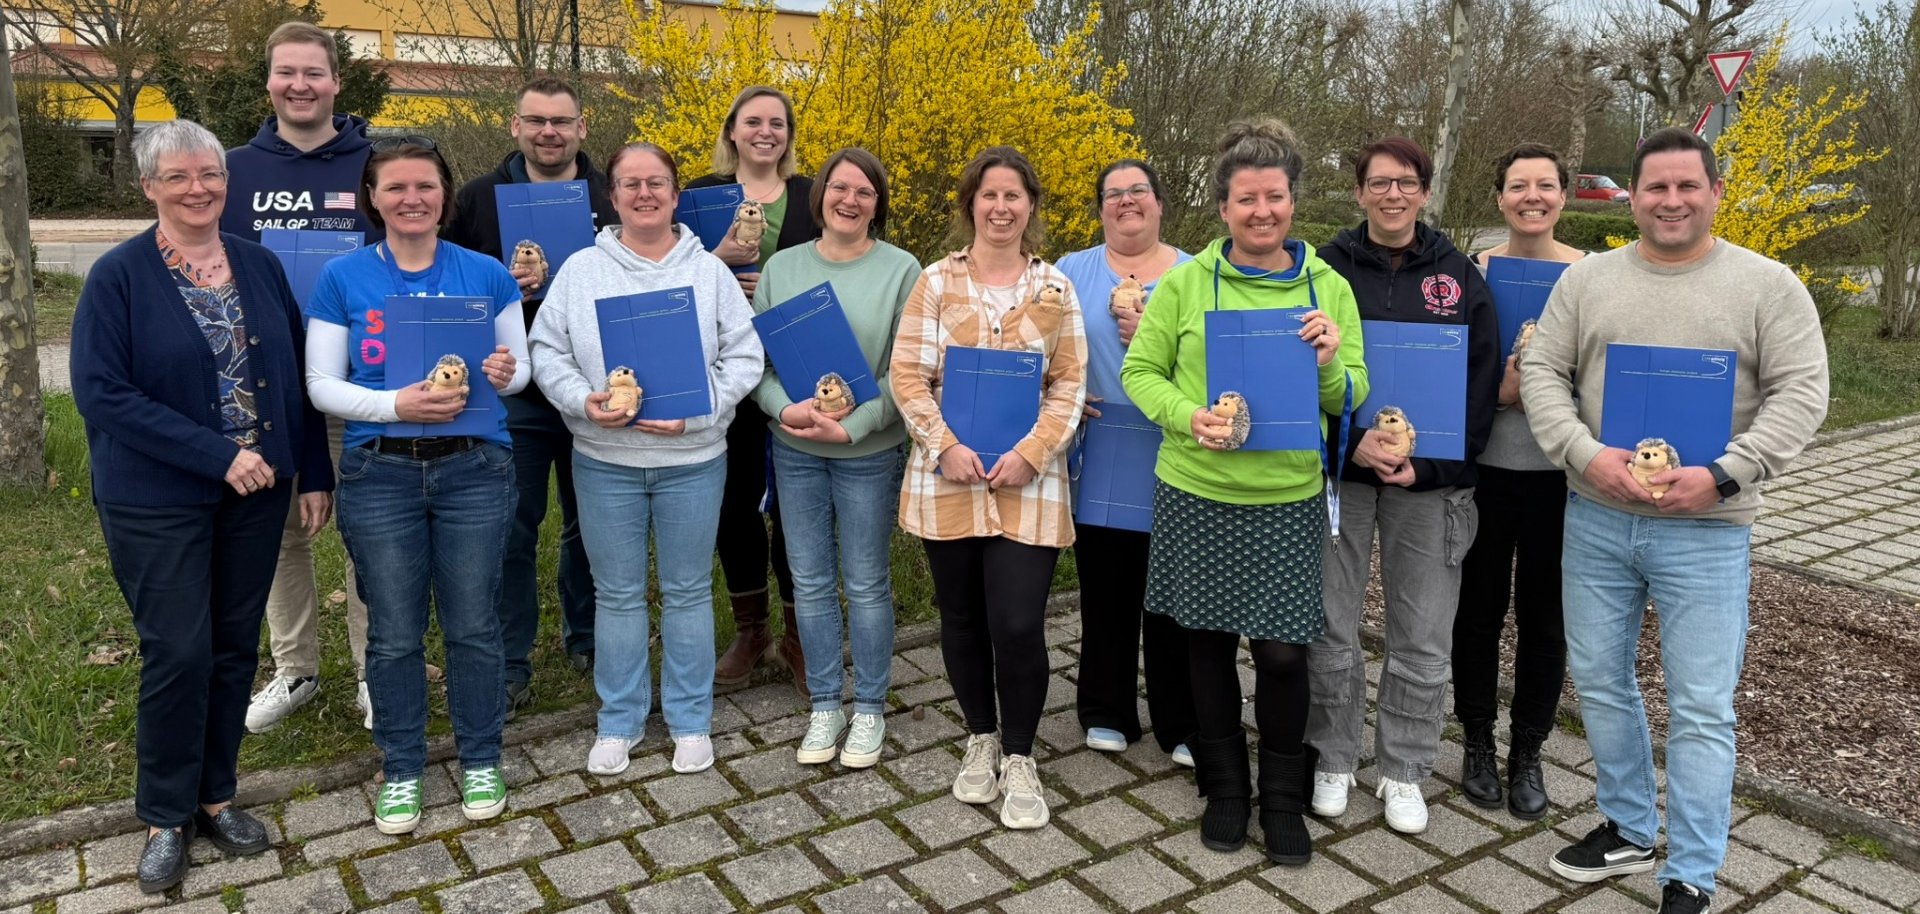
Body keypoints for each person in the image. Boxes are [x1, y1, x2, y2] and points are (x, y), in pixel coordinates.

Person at [1525, 127, 1828, 914]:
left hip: (1709, 529)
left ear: (1715, 193)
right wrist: (1583, 454)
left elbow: (1803, 394)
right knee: (1597, 680)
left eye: (1687, 186)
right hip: (1595, 518)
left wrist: (1727, 476)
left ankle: (1690, 872)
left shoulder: (1767, 286)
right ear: (1632, 194)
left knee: (1699, 705)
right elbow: (1543, 372)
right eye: (1655, 187)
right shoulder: (1590, 281)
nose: (1671, 200)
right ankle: (1628, 825)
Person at [72, 118, 333, 893]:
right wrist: (219, 456)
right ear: (149, 186)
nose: (197, 189)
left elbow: (290, 378)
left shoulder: (256, 264)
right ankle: (163, 814)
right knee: (177, 652)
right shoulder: (118, 277)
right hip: (158, 499)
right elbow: (102, 394)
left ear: (227, 182)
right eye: (178, 177)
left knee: (229, 647)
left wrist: (311, 469)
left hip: (257, 497)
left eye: (209, 175)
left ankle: (216, 796)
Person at [1121, 119, 1366, 865]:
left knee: (1286, 655)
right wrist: (1185, 417)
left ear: (1293, 202)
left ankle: (1283, 797)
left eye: (1276, 197)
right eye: (1246, 200)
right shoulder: (1188, 284)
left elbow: (1351, 393)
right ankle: (1227, 788)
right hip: (1198, 489)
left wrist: (1327, 359)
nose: (1262, 212)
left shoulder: (1329, 288)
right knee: (1207, 645)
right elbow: (1140, 373)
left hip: (1286, 495)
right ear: (1223, 208)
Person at [304, 137, 530, 834]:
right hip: (381, 473)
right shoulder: (342, 278)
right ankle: (401, 765)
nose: (411, 199)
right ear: (373, 197)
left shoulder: (486, 273)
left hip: (474, 470)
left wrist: (501, 375)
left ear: (446, 195)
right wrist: (393, 405)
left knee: (473, 624)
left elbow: (518, 370)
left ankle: (481, 755)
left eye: (425, 187)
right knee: (396, 633)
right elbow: (321, 385)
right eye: (396, 187)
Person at [529, 143, 766, 777]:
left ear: (673, 193)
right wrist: (582, 401)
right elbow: (546, 351)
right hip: (605, 457)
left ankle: (690, 718)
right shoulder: (581, 270)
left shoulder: (709, 272)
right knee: (619, 595)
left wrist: (699, 411)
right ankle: (620, 719)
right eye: (630, 183)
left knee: (689, 591)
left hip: (692, 456)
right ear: (612, 196)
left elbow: (743, 357)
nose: (644, 194)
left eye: (656, 182)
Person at [892, 146, 1087, 830]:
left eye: (1013, 196)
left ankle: (1023, 754)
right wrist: (944, 446)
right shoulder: (935, 282)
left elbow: (1069, 381)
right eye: (988, 195)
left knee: (1017, 621)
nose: (1000, 207)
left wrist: (1034, 453)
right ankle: (980, 735)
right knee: (963, 618)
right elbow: (908, 375)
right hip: (949, 474)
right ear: (970, 204)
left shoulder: (1057, 289)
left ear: (1030, 205)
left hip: (1028, 481)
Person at [1309, 136, 1499, 835]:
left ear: (1425, 192)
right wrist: (1344, 443)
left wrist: (1434, 466)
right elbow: (1303, 374)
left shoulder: (1459, 279)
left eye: (1407, 182)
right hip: (1343, 475)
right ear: (1358, 192)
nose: (1393, 194)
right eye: (1379, 182)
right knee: (1330, 623)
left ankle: (1405, 768)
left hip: (1430, 486)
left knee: (1421, 632)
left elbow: (1479, 389)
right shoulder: (1324, 269)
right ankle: (1332, 756)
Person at [221, 21, 380, 735]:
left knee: (366, 533)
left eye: (314, 72)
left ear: (336, 81)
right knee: (277, 532)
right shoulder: (231, 172)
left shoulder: (376, 164)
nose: (300, 85)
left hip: (358, 383)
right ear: (269, 83)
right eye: (287, 72)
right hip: (263, 388)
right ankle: (296, 669)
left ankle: (377, 670)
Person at [442, 76, 618, 718]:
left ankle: (593, 640)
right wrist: (503, 291)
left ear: (581, 128)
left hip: (593, 382)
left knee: (591, 522)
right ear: (514, 126)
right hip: (513, 389)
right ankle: (509, 659)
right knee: (512, 525)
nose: (550, 132)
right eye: (536, 120)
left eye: (561, 121)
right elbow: (453, 288)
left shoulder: (612, 194)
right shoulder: (478, 199)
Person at [750, 148, 920, 768]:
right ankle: (826, 704)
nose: (850, 200)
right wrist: (781, 409)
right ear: (820, 195)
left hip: (868, 452)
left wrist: (859, 426)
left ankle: (870, 707)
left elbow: (908, 371)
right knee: (811, 581)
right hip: (794, 449)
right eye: (839, 188)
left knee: (867, 583)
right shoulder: (783, 268)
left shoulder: (903, 270)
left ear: (878, 204)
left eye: (865, 192)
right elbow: (758, 365)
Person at [1452, 143, 1587, 821]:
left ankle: (1527, 749)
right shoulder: (1471, 274)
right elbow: (1451, 370)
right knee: (1476, 614)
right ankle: (1476, 739)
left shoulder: (1594, 277)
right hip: (1485, 473)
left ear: (1563, 196)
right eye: (1517, 186)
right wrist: (1499, 390)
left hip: (1560, 480)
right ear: (1499, 197)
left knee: (1545, 619)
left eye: (1546, 186)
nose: (1531, 197)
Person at [1055, 159, 1197, 767]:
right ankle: (1106, 708)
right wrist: (1056, 391)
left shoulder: (1196, 275)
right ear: (1100, 208)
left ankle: (1182, 718)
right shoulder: (1069, 271)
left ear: (1160, 203)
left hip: (1174, 441)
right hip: (1100, 437)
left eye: (1139, 190)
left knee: (1173, 590)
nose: (1126, 201)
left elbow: (1214, 360)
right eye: (1113, 194)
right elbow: (1041, 344)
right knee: (1106, 584)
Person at [686, 86, 819, 694]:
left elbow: (841, 261)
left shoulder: (813, 195)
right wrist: (718, 263)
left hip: (799, 365)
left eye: (778, 123)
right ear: (732, 131)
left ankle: (798, 635)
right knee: (733, 502)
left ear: (788, 135)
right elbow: (675, 273)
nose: (766, 132)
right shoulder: (699, 196)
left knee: (796, 504)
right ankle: (751, 631)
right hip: (722, 366)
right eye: (753, 122)